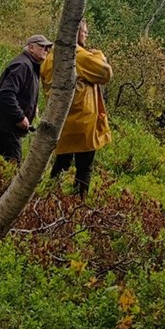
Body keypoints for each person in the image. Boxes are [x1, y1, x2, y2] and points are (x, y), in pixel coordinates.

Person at [41, 20, 112, 197]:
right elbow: (105, 73)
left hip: (61, 119)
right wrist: (100, 55)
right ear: (77, 32)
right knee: (84, 167)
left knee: (62, 162)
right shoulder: (79, 55)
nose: (86, 35)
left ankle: (49, 198)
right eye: (85, 32)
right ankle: (77, 204)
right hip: (82, 121)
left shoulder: (51, 56)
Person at [0, 35, 51, 161]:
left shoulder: (29, 65)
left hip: (7, 126)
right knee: (13, 165)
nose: (46, 50)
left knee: (10, 164)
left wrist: (32, 108)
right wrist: (20, 117)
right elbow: (6, 93)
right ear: (31, 47)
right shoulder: (23, 65)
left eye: (48, 47)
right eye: (43, 46)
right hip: (6, 126)